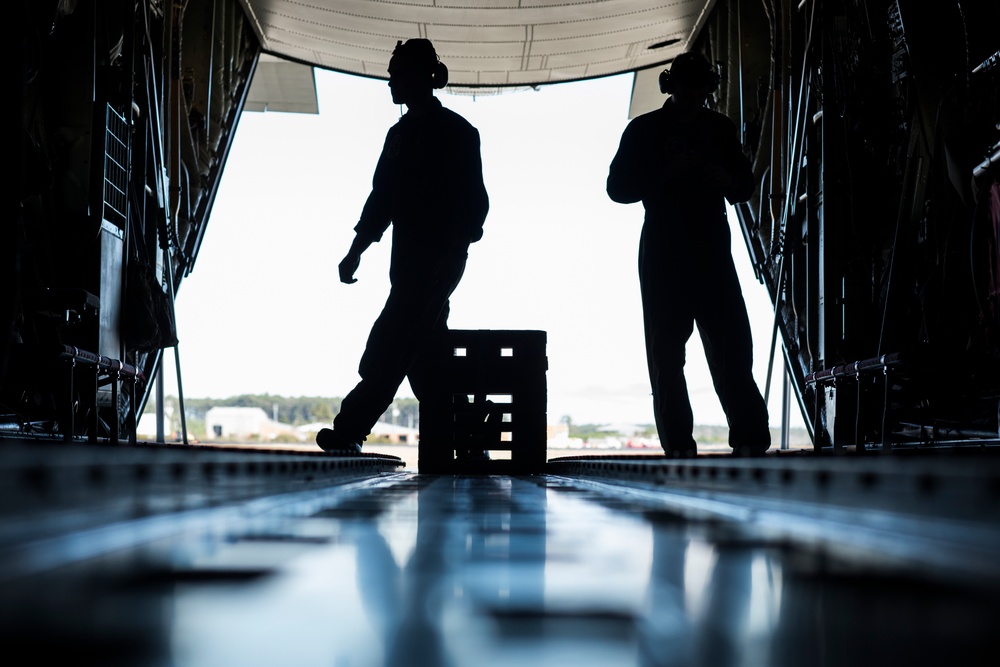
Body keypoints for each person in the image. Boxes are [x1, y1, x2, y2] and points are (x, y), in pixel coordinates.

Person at [317, 38, 489, 453]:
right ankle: (468, 435)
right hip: (412, 265)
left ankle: (350, 428)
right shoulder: (401, 135)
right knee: (426, 354)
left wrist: (452, 253)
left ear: (418, 78)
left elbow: (474, 204)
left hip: (437, 262)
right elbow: (382, 199)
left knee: (388, 342)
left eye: (396, 75)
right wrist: (356, 248)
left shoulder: (457, 134)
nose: (390, 82)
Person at [606, 51, 770, 457]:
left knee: (732, 348)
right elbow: (617, 188)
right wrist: (665, 175)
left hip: (709, 249)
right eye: (689, 88)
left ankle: (749, 439)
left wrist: (727, 179)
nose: (695, 96)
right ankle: (679, 446)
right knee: (667, 354)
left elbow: (745, 185)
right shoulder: (643, 131)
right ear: (672, 86)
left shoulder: (719, 129)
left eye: (701, 89)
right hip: (665, 251)